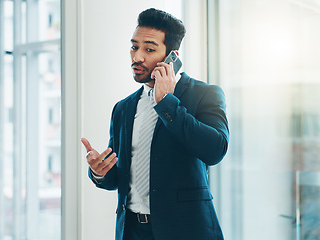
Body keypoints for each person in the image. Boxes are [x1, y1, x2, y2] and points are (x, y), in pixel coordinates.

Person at [81, 8, 229, 240]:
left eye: (149, 49)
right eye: (134, 47)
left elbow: (215, 151)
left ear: (172, 56)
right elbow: (118, 180)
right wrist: (100, 173)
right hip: (132, 230)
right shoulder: (123, 108)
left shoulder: (205, 94)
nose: (137, 57)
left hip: (186, 231)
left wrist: (167, 103)